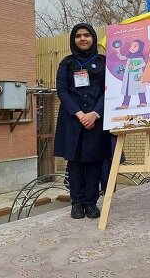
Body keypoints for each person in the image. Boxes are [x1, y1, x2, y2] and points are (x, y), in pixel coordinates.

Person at [54, 23, 111, 220]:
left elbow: (110, 90)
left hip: (97, 119)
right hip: (73, 120)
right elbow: (62, 90)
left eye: (87, 35)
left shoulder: (105, 62)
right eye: (78, 36)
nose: (83, 39)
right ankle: (76, 203)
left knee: (95, 163)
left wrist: (95, 113)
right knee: (75, 163)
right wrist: (79, 114)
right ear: (73, 40)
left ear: (93, 38)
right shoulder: (66, 64)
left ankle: (91, 203)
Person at [114, 39, 148, 109]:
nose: (132, 47)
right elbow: (121, 57)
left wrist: (135, 67)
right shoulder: (129, 56)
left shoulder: (140, 56)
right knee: (127, 89)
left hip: (137, 76)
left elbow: (143, 64)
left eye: (135, 46)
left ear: (140, 48)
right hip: (129, 76)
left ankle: (143, 102)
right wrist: (118, 52)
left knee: (140, 88)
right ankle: (125, 104)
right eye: (132, 45)